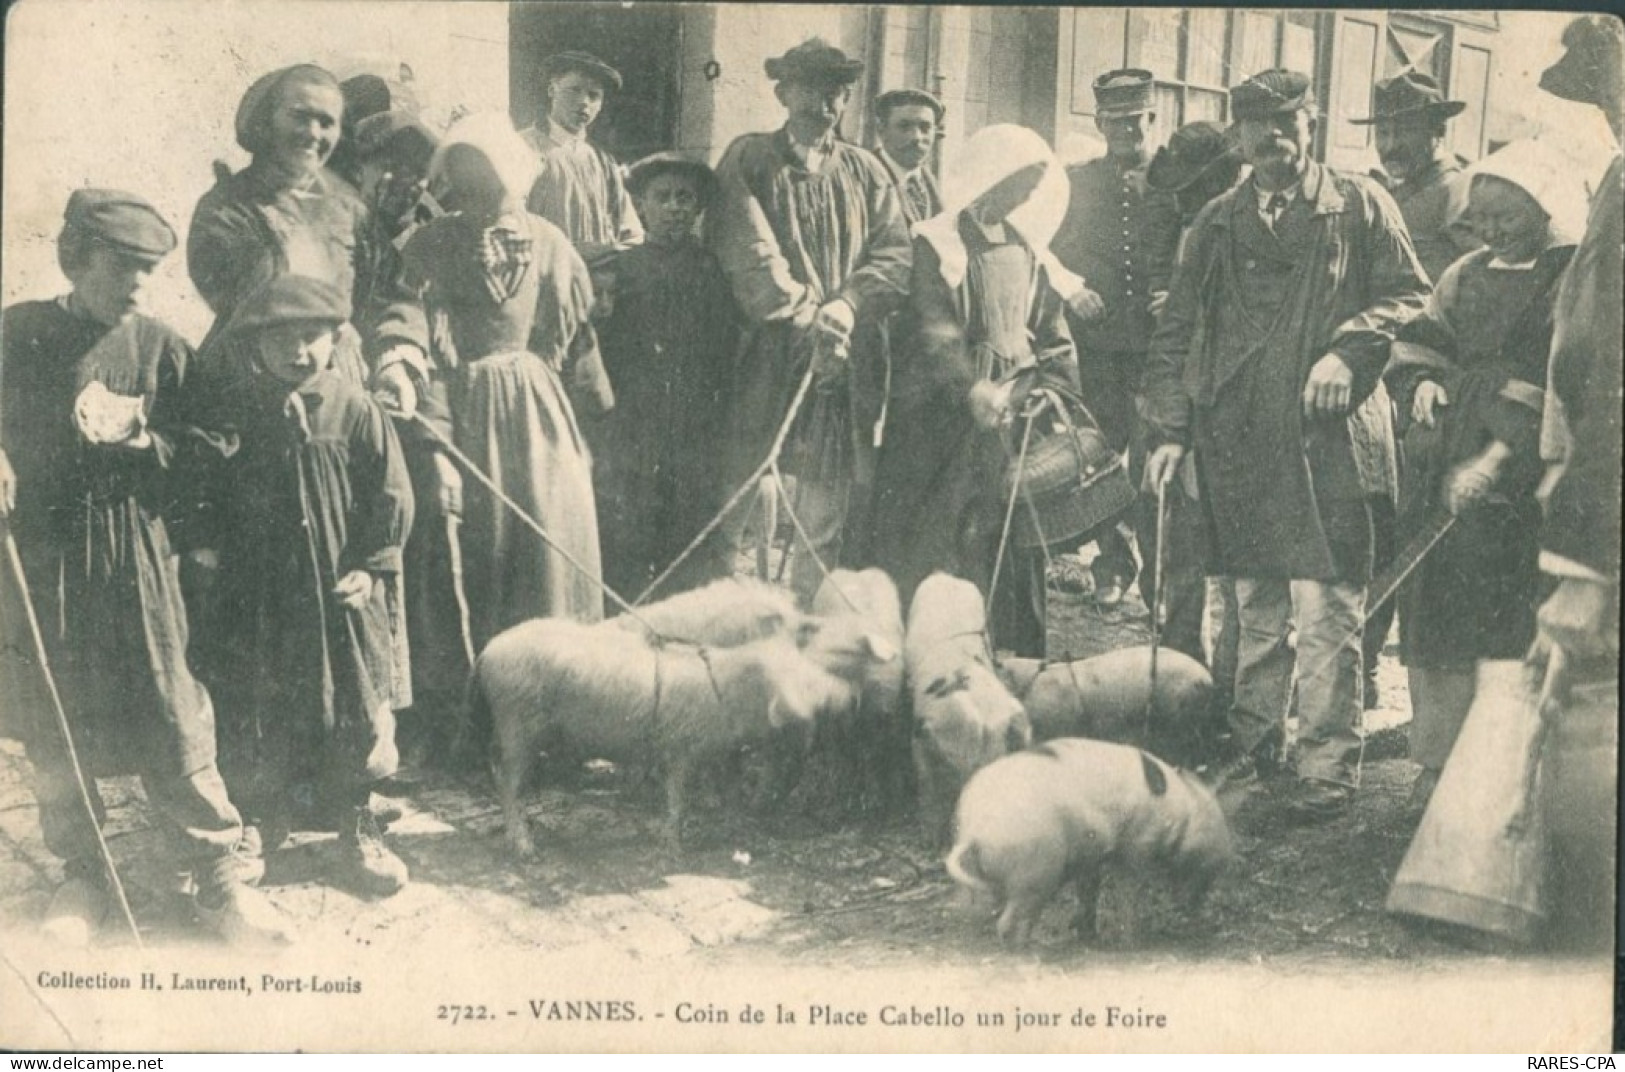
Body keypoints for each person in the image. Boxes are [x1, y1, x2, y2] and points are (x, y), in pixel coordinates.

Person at [0, 190, 287, 944]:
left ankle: (220, 878)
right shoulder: (19, 332)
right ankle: (82, 874)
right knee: (54, 717)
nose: (135, 284)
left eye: (148, 271)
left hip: (137, 552)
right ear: (76, 260)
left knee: (171, 707)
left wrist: (146, 447)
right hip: (46, 552)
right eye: (120, 267)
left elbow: (212, 444)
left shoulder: (162, 346)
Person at [1142, 69, 1430, 819]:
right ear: (1235, 134)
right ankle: (1252, 747)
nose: (1270, 141)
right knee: (1254, 604)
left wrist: (1349, 349)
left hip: (1327, 436)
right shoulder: (1214, 220)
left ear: (1312, 122)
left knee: (1329, 603)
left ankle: (1326, 768)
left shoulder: (1359, 205)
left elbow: (1410, 295)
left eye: (1285, 124)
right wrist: (1171, 431)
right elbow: (1174, 332)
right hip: (1238, 436)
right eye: (1253, 127)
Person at [203, 275, 415, 897]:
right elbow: (206, 489)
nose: (297, 352)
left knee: (354, 703)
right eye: (281, 340)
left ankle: (356, 819)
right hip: (259, 594)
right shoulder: (234, 410)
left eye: (311, 338)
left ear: (334, 339)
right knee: (256, 704)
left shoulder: (355, 407)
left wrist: (370, 568)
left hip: (337, 594)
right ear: (254, 345)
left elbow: (391, 494)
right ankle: (261, 818)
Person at [1384, 142, 1580, 810]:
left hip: (1516, 476)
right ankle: (1435, 762)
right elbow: (1420, 339)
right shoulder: (1463, 272)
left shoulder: (1565, 278)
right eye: (1483, 217)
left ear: (1540, 209)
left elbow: (1552, 384)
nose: (1492, 230)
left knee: (1502, 619)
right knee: (1434, 611)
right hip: (1445, 457)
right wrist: (1419, 384)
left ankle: (1496, 768)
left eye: (1506, 216)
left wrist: (1493, 462)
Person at [374, 112, 610, 651]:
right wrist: (430, 426)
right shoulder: (431, 243)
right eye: (468, 177)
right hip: (465, 409)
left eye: (493, 175)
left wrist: (593, 414)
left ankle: (558, 661)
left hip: (537, 409)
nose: (482, 190)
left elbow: (575, 339)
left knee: (550, 527)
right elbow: (415, 323)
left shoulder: (551, 242)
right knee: (477, 538)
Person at [705, 38, 912, 606]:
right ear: (781, 92)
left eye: (836, 89)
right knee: (737, 496)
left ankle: (805, 626)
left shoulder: (867, 172)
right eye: (810, 86)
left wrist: (847, 306)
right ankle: (720, 623)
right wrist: (806, 316)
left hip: (839, 359)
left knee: (822, 511)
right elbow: (748, 249)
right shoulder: (749, 159)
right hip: (764, 352)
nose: (824, 100)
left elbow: (894, 255)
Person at [869, 125, 1077, 656]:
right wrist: (971, 387)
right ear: (987, 178)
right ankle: (935, 655)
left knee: (1011, 537)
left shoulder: (1026, 247)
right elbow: (935, 329)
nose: (1021, 196)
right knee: (941, 538)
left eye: (1030, 187)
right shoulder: (935, 243)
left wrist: (1051, 387)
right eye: (1014, 184)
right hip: (943, 414)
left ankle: (1014, 655)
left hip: (1013, 412)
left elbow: (1051, 331)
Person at [187, 64, 425, 409]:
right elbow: (246, 288)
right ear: (267, 121)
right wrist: (324, 328)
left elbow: (390, 288)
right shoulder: (228, 205)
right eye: (300, 117)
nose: (314, 133)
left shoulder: (349, 209)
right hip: (250, 378)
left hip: (340, 387)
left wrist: (394, 363)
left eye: (327, 122)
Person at [1051, 69, 1182, 606]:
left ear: (1152, 118)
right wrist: (1071, 288)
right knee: (1102, 455)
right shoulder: (1076, 182)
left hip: (1160, 346)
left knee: (1153, 458)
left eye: (1135, 120)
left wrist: (1179, 292)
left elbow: (1202, 243)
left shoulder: (1178, 178)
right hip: (1100, 345)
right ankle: (1112, 564)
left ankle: (1159, 577)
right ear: (1100, 122)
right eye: (1114, 121)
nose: (1125, 130)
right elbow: (1045, 248)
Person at [595, 153, 739, 599]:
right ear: (641, 206)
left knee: (690, 533)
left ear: (698, 209)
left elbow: (725, 351)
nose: (674, 207)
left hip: (693, 425)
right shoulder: (621, 270)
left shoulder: (713, 271)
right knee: (628, 532)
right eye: (662, 197)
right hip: (633, 422)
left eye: (685, 198)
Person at [1135, 120, 1244, 664]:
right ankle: (1183, 668)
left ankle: (1230, 682)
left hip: (1234, 407)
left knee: (1241, 568)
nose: (1187, 200)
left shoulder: (1250, 227)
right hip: (1181, 401)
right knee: (1177, 544)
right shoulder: (1187, 227)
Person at [520, 50, 643, 270]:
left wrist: (609, 254)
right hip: (541, 275)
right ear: (552, 90)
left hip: (596, 284)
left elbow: (631, 233)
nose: (584, 102)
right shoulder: (522, 147)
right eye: (574, 90)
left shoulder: (603, 162)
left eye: (594, 95)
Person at [1353, 71, 1478, 285]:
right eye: (1383, 133)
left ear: (1438, 131)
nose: (1391, 146)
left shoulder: (1458, 190)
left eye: (1405, 131)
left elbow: (1482, 274)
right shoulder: (1386, 188)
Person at [872, 88, 945, 226]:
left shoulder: (930, 181)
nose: (916, 137)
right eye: (904, 127)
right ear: (882, 130)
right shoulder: (864, 178)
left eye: (925, 128)